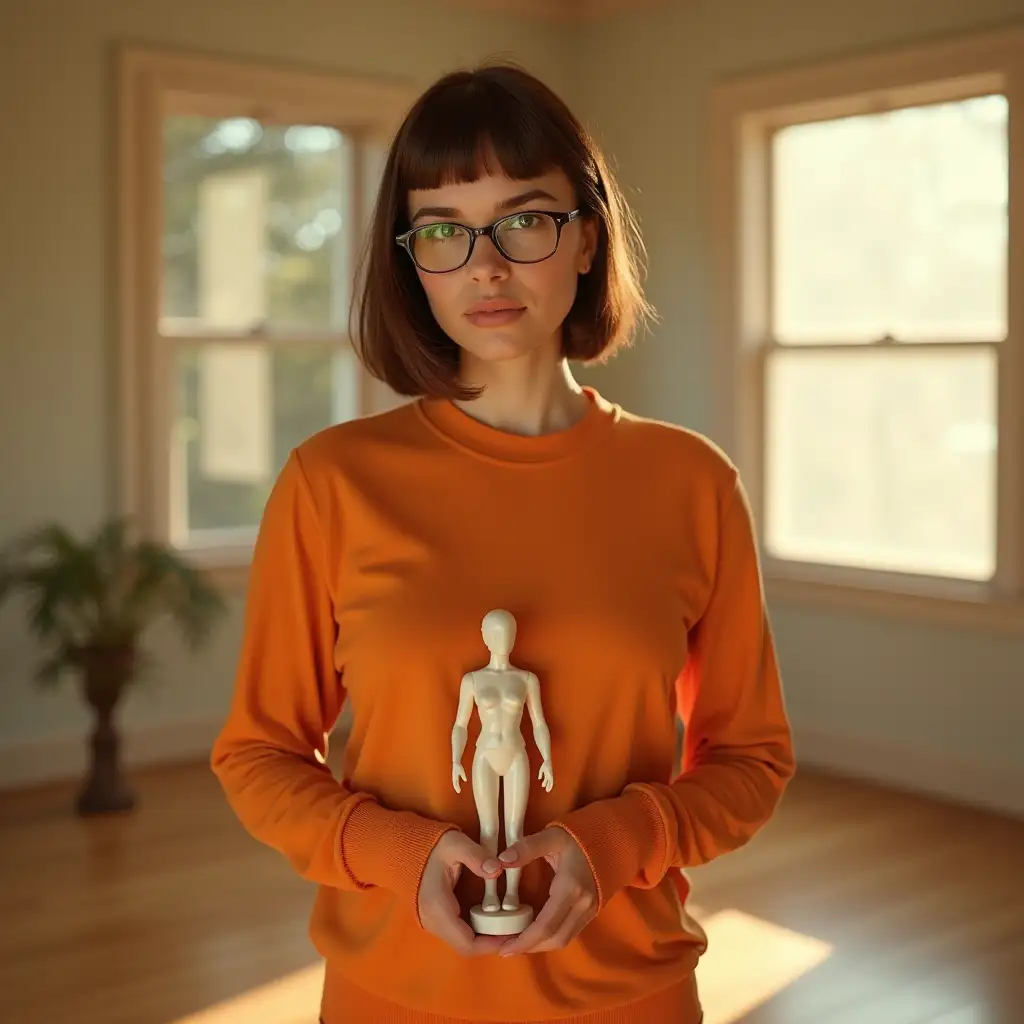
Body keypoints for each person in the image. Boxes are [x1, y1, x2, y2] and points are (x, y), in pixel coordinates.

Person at [210, 60, 795, 1024]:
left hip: (630, 993)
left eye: (524, 220)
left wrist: (610, 845)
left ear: (585, 241)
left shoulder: (693, 484)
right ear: (411, 260)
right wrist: (403, 854)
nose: (485, 266)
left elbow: (751, 762)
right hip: (394, 993)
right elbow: (258, 756)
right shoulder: (332, 482)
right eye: (443, 229)